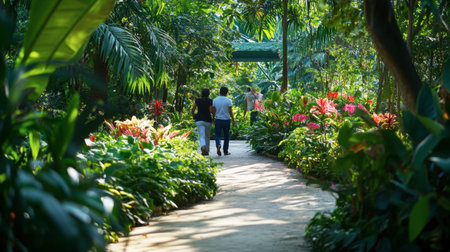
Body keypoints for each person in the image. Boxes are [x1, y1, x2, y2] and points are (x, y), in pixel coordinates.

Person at [212, 86, 235, 156]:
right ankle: (225, 151)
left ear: (220, 91)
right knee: (226, 136)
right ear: (227, 93)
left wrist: (213, 118)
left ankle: (218, 144)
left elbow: (213, 110)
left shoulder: (215, 100)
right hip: (226, 120)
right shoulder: (228, 100)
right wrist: (233, 120)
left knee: (217, 134)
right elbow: (230, 111)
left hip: (218, 119)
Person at [191, 88, 213, 155]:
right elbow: (211, 110)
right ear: (208, 94)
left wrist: (194, 114)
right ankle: (207, 150)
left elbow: (193, 109)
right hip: (208, 120)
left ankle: (203, 146)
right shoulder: (210, 101)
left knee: (201, 136)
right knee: (207, 136)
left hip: (199, 120)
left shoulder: (197, 100)